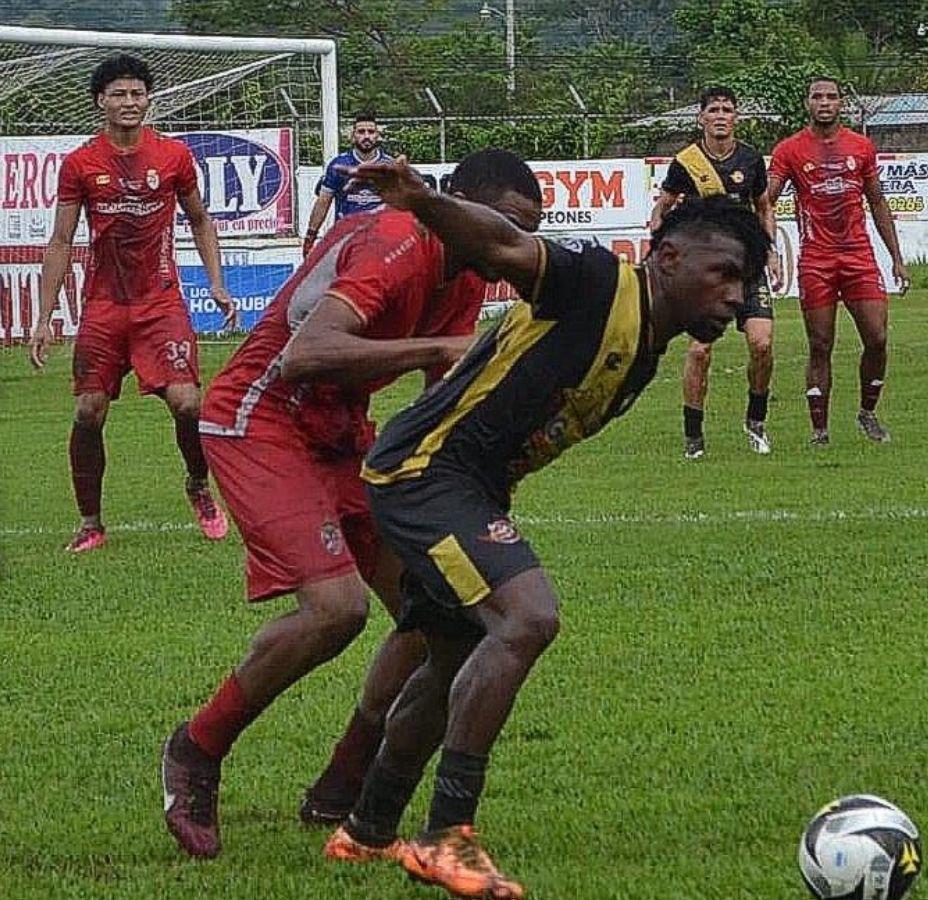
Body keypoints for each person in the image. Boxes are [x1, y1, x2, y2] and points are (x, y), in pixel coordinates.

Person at [320, 156, 771, 900]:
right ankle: (445, 838)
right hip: (427, 475)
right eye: (723, 273)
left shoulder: (650, 340)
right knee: (528, 619)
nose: (733, 296)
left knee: (451, 656)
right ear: (667, 254)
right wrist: (423, 200)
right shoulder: (600, 284)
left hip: (461, 486)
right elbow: (507, 247)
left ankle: (366, 831)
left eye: (746, 284)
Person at [159, 150, 544, 861]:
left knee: (445, 613)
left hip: (342, 433)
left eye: (526, 233)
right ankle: (196, 748)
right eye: (505, 225)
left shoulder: (468, 266)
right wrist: (444, 344)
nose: (512, 245)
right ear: (455, 204)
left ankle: (341, 785)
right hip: (261, 415)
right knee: (336, 609)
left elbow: (440, 388)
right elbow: (306, 355)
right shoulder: (393, 241)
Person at [28, 53, 235, 552]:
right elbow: (60, 241)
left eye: (137, 93)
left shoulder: (173, 157)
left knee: (188, 402)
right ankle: (91, 523)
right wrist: (44, 315)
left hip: (160, 304)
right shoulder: (81, 163)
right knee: (88, 412)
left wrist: (217, 282)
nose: (129, 102)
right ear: (101, 101)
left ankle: (197, 484)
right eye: (119, 94)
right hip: (103, 307)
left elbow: (201, 220)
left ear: (148, 99)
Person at [766, 76, 910, 445]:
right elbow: (765, 201)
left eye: (831, 97)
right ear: (807, 103)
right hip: (817, 259)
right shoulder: (790, 150)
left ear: (840, 103)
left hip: (859, 256)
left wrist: (896, 256)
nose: (824, 103)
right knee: (820, 344)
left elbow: (877, 201)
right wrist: (767, 247)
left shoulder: (860, 146)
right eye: (817, 97)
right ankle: (820, 430)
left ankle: (867, 412)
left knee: (877, 338)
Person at [649, 86, 782, 459]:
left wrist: (770, 251)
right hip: (704, 273)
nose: (721, 115)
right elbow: (662, 207)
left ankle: (756, 421)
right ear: (701, 117)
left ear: (736, 117)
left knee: (762, 343)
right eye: (714, 110)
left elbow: (764, 207)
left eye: (727, 109)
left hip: (746, 265)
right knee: (700, 350)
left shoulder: (752, 160)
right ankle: (694, 436)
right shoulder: (686, 162)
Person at [303, 111, 393, 256]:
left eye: (371, 132)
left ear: (377, 136)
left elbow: (402, 205)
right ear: (353, 136)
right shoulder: (339, 165)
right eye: (361, 132)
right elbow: (323, 202)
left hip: (380, 239)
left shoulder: (389, 166)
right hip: (347, 238)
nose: (366, 136)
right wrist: (310, 236)